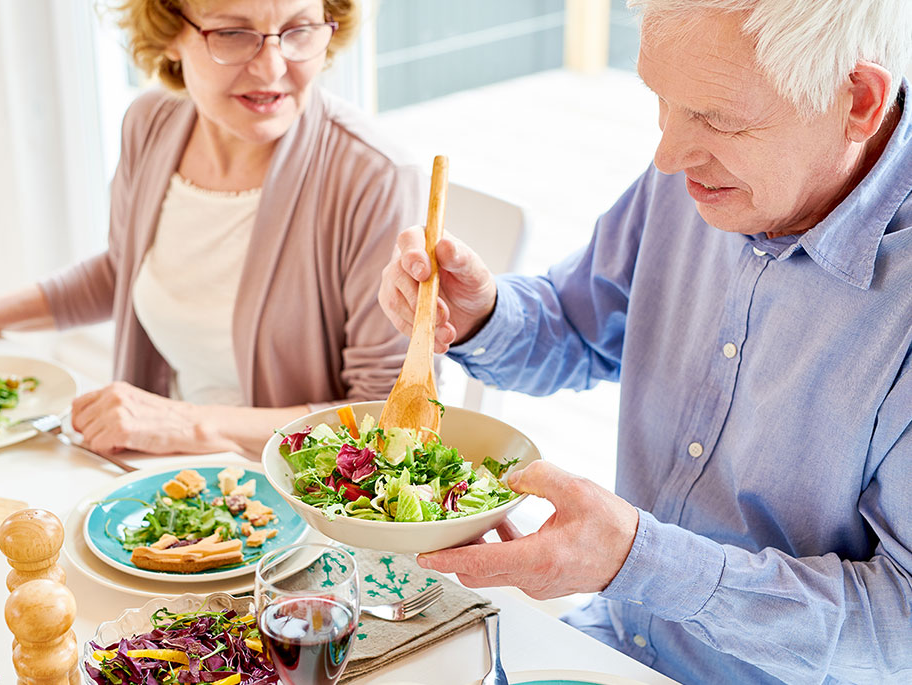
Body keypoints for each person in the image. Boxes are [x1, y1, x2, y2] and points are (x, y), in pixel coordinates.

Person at [379, 1, 912, 682]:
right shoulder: (704, 174)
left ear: (857, 101)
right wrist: (482, 313)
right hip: (606, 643)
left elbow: (900, 627)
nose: (667, 155)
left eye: (717, 118)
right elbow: (576, 325)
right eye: (662, 101)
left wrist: (644, 561)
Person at [0, 0, 423, 458]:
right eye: (234, 33)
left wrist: (190, 425)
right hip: (175, 470)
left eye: (299, 30)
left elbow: (385, 415)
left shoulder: (372, 177)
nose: (272, 69)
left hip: (306, 500)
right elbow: (126, 268)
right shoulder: (153, 122)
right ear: (168, 34)